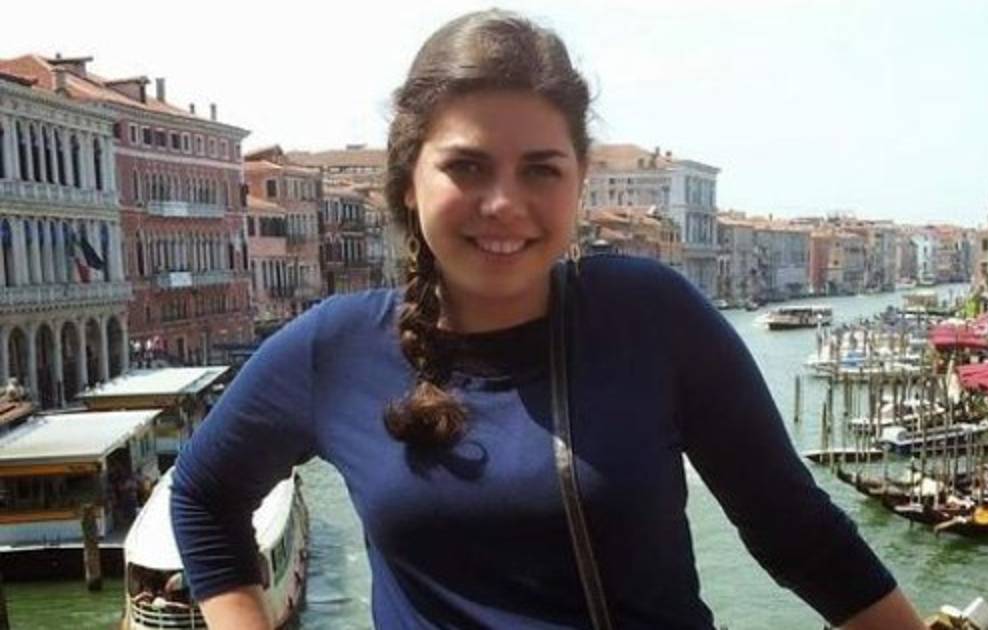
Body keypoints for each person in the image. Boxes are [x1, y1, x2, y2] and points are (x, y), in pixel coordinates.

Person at [170, 9, 923, 630]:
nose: (504, 203)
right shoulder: (334, 347)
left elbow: (795, 530)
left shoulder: (651, 315)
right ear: (406, 182)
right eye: (466, 166)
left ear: (580, 182)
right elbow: (203, 494)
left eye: (540, 169)